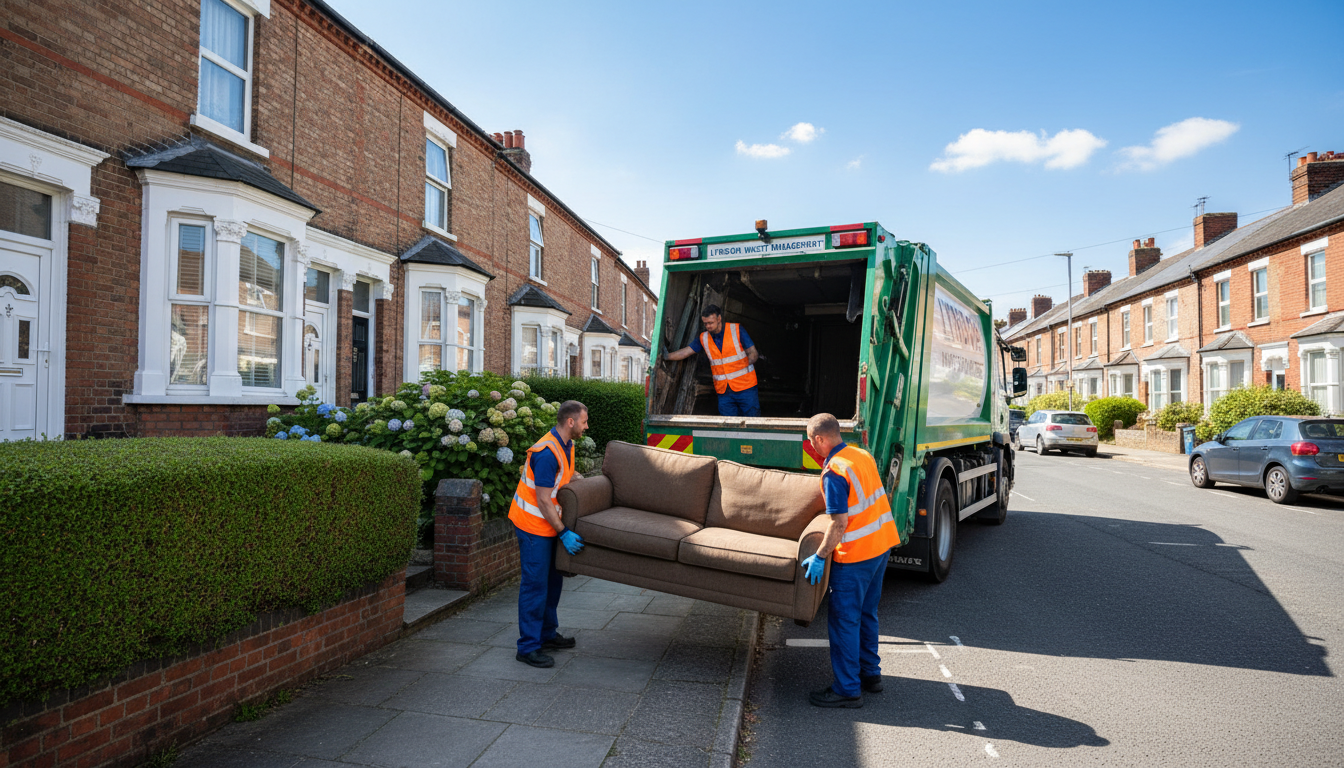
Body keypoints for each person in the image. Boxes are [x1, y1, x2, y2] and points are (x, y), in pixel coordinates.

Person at [800, 413, 899, 708]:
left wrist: (819, 556)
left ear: (820, 439)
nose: (810, 445)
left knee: (844, 620)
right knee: (867, 614)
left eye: (810, 440)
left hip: (856, 556)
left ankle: (847, 689)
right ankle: (871, 675)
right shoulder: (860, 454)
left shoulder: (834, 472)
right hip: (881, 546)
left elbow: (839, 523)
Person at [508, 400, 589, 668]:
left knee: (553, 582)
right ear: (570, 422)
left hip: (548, 525)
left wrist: (581, 481)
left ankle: (547, 634)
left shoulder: (566, 444)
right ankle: (528, 647)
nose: (586, 427)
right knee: (535, 585)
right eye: (584, 422)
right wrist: (563, 531)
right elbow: (543, 500)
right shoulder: (545, 453)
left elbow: (563, 476)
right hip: (533, 526)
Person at [663, 304, 761, 416]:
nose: (708, 326)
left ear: (719, 319)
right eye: (705, 323)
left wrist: (748, 361)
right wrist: (667, 356)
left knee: (752, 421)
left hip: (746, 388)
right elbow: (686, 352)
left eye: (710, 323)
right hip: (724, 391)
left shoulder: (736, 330)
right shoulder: (703, 337)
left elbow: (753, 353)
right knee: (728, 425)